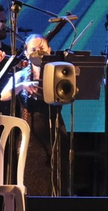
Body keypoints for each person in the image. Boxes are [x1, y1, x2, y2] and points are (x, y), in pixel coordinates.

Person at [4, 35, 67, 195]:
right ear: (26, 53)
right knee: (31, 181)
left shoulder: (59, 74)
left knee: (58, 181)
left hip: (55, 132)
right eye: (33, 49)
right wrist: (21, 86)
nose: (38, 52)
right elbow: (3, 95)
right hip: (30, 136)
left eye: (42, 48)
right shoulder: (21, 75)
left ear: (49, 50)